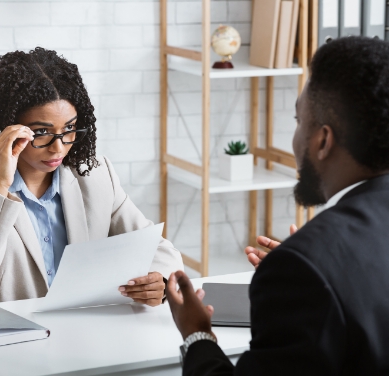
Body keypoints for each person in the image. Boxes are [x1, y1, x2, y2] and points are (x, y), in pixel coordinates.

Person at [167, 36, 389, 375]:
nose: (295, 137)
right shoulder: (307, 265)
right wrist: (308, 267)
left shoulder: (304, 267)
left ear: (324, 141)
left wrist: (197, 334)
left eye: (299, 121)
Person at [0, 47, 183, 307]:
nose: (59, 147)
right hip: (11, 340)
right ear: (5, 129)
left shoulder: (95, 175)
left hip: (86, 332)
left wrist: (160, 280)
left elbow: (160, 249)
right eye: (41, 132)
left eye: (69, 129)